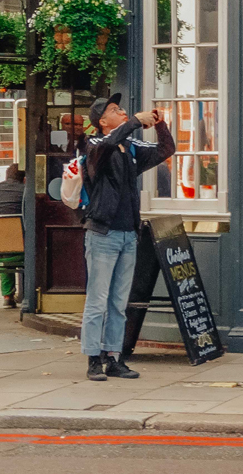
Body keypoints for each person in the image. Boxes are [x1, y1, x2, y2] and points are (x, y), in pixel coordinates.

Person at [81, 93, 174, 382]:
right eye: (114, 109)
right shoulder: (95, 145)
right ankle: (93, 358)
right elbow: (107, 145)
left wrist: (159, 124)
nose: (121, 111)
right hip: (103, 232)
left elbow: (165, 150)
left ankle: (114, 357)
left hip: (127, 233)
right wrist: (134, 121)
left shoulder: (131, 148)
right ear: (102, 121)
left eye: (121, 108)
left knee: (119, 302)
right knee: (97, 301)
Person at [0, 164, 25, 307]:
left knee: (4, 252)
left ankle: (7, 295)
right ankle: (27, 295)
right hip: (20, 250)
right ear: (25, 178)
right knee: (26, 249)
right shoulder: (25, 191)